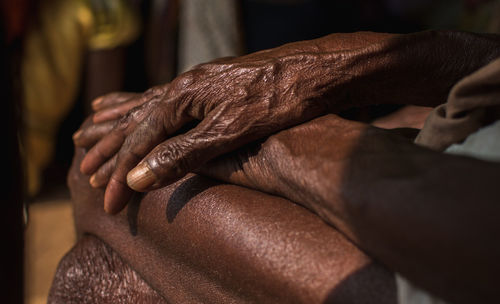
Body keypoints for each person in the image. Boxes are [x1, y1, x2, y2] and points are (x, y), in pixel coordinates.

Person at [73, 30, 500, 303]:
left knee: (97, 175)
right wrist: (335, 67)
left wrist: (293, 146)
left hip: (453, 255)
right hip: (455, 163)